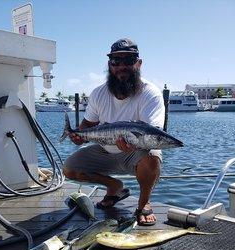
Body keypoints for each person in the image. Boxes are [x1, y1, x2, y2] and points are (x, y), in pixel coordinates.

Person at [63, 38, 165, 225]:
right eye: (116, 61)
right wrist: (78, 136)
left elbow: (152, 133)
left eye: (128, 60)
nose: (121, 66)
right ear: (109, 65)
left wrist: (133, 144)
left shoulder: (150, 93)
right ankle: (115, 187)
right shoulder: (98, 94)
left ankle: (143, 205)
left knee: (152, 156)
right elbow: (87, 125)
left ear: (138, 63)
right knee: (69, 169)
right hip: (104, 151)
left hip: (135, 153)